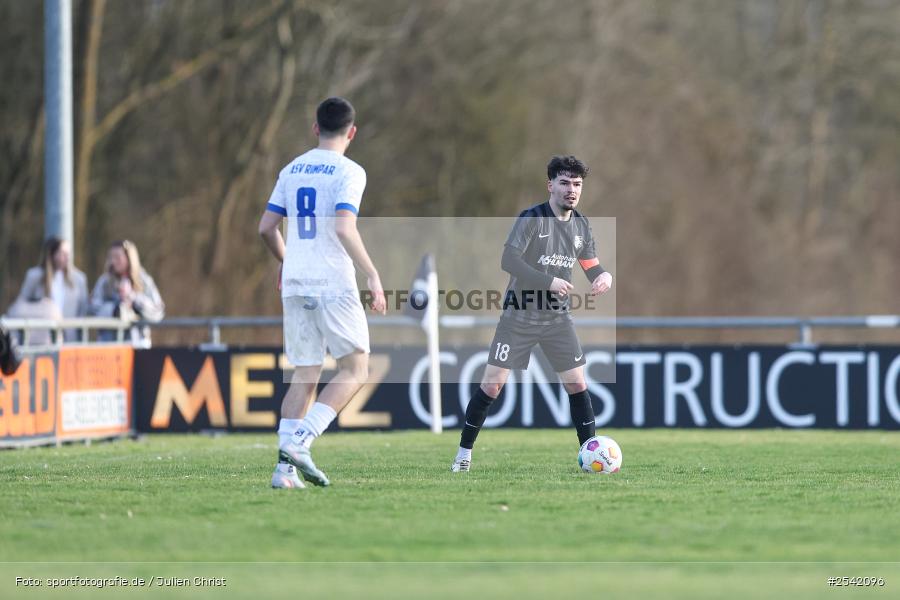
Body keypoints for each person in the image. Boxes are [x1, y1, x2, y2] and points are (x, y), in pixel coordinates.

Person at [450, 155, 613, 472]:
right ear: (550, 184)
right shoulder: (532, 219)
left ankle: (590, 455)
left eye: (577, 184)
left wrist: (603, 276)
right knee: (493, 385)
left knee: (577, 385)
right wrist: (548, 281)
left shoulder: (580, 225)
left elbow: (590, 265)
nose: (571, 190)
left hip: (557, 319)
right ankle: (463, 455)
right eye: (564, 183)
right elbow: (509, 261)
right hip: (519, 316)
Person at [258, 96, 386, 490]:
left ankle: (284, 473)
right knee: (356, 367)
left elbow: (266, 228)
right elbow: (345, 228)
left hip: (295, 282)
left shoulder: (291, 168)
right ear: (352, 132)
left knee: (305, 374)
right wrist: (372, 274)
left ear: (315, 128)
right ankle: (301, 442)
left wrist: (286, 259)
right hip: (332, 280)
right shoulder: (350, 171)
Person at [7, 237, 89, 343]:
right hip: (42, 339)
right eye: (62, 253)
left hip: (70, 340)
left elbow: (82, 311)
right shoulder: (34, 276)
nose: (67, 257)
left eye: (68, 253)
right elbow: (21, 306)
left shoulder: (79, 279)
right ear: (51, 254)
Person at [90, 240, 165, 344]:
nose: (113, 261)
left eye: (118, 257)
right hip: (109, 345)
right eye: (111, 257)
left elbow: (158, 311)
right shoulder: (105, 282)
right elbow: (93, 309)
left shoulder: (143, 281)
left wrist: (134, 300)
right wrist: (116, 309)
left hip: (137, 343)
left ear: (129, 258)